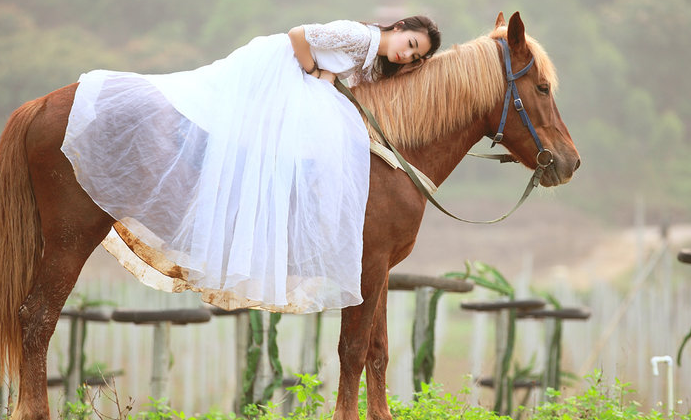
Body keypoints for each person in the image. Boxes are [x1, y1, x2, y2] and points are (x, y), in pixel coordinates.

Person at [62, 16, 441, 314]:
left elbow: (340, 75)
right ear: (398, 27)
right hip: (282, 65)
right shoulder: (359, 36)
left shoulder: (373, 58)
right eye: (410, 45)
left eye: (416, 56)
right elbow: (299, 35)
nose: (408, 56)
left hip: (302, 78)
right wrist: (312, 72)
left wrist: (326, 75)